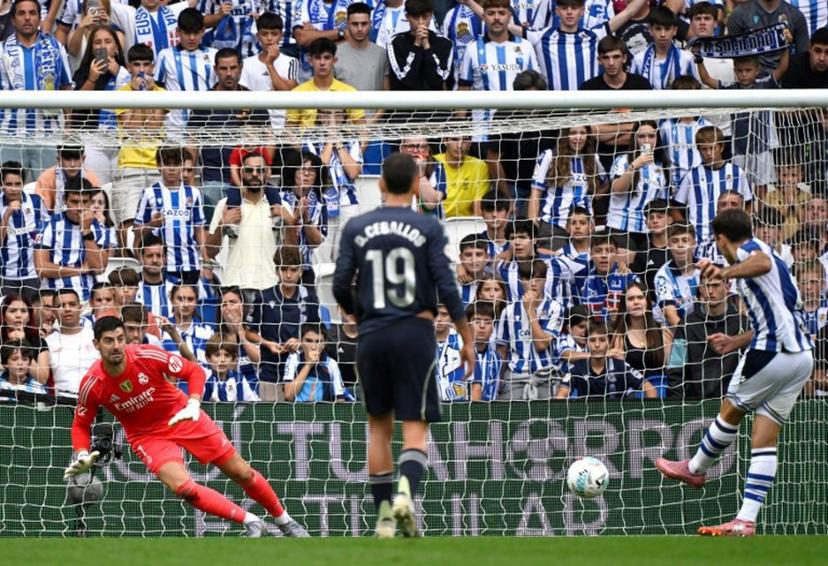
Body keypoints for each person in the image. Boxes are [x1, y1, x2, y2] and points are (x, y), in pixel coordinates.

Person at [333, 152, 474, 538]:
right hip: (415, 331)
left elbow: (338, 283)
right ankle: (405, 497)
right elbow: (447, 286)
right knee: (415, 427)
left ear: (380, 184)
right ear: (416, 185)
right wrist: (466, 337)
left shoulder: (357, 226)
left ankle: (382, 517)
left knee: (379, 427)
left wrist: (361, 314)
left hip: (374, 333)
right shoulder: (427, 227)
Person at [64, 316, 308, 537]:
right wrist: (83, 453)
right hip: (147, 436)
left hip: (182, 414)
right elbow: (81, 425)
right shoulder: (93, 383)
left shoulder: (147, 355)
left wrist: (193, 401)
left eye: (120, 339)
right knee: (183, 488)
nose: (116, 345)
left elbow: (193, 371)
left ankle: (285, 522)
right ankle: (252, 522)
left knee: (241, 472)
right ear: (96, 345)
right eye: (108, 341)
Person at [656, 208, 814, 536]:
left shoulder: (750, 254)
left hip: (774, 352)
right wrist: (736, 339)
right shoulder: (777, 263)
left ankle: (695, 468)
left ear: (722, 239)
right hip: (800, 358)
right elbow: (780, 311)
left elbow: (760, 263)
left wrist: (723, 273)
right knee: (763, 439)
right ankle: (745, 520)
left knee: (731, 406)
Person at [188, 49, 271, 222]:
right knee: (215, 236)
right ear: (215, 69)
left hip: (249, 181)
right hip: (213, 180)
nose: (229, 74)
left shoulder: (253, 99)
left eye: (233, 68)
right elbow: (192, 142)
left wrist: (263, 171)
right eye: (224, 69)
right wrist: (190, 183)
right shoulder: (203, 102)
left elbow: (269, 137)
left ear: (240, 68)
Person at [499, 0, 648, 91]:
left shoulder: (594, 35)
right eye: (564, 8)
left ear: (582, 11)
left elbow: (629, 12)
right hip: (555, 113)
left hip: (588, 111)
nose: (569, 12)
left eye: (574, 8)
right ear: (557, 11)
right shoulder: (540, 36)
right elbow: (496, 21)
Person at [0, 0, 72, 178]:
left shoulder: (56, 48)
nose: (27, 18)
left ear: (40, 18)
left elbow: (66, 88)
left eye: (32, 13)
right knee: (10, 193)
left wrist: (67, 128)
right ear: (13, 20)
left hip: (48, 136)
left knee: (47, 196)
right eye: (21, 13)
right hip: (10, 136)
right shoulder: (1, 51)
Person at [696, 54, 788, 193]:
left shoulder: (764, 84)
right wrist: (699, 60)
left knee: (761, 184)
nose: (743, 74)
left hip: (761, 145)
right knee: (739, 182)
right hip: (739, 147)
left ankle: (759, 213)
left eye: (748, 70)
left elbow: (782, 68)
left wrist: (785, 47)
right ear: (734, 70)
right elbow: (707, 80)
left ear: (756, 70)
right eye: (739, 70)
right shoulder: (731, 88)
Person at [206, 151, 293, 294]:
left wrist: (289, 222)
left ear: (267, 173)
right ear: (241, 173)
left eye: (260, 170)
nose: (254, 174)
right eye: (249, 170)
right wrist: (222, 225)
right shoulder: (225, 205)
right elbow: (210, 251)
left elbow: (291, 253)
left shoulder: (281, 206)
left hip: (270, 285)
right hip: (235, 285)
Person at [247, 246, 320, 400]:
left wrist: (301, 342)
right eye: (284, 269)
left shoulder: (310, 298)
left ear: (300, 272)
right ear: (276, 271)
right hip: (270, 371)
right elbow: (249, 332)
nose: (288, 275)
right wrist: (268, 343)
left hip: (301, 372)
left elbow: (319, 332)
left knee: (301, 422)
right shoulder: (263, 297)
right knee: (269, 421)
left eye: (293, 270)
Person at [668, 272, 752, 400]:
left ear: (728, 287)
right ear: (700, 289)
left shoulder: (743, 325)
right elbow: (676, 369)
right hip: (695, 404)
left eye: (716, 285)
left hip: (734, 404)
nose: (711, 291)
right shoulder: (686, 325)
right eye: (707, 286)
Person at [113, 44, 167, 232]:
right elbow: (133, 129)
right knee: (127, 225)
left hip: (156, 168)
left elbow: (153, 127)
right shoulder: (120, 94)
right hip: (129, 167)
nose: (142, 70)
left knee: (159, 225)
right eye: (137, 65)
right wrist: (138, 95)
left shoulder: (162, 94)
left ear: (152, 67)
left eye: (146, 65)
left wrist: (148, 95)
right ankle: (128, 261)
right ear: (129, 67)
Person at [134, 146, 207, 284]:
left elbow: (199, 228)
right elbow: (137, 231)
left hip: (190, 264)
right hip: (162, 265)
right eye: (167, 164)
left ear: (182, 166)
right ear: (159, 166)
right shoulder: (150, 193)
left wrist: (206, 258)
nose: (172, 169)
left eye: (176, 164)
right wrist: (151, 225)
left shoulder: (194, 193)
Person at [68, 26, 130, 186]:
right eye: (97, 42)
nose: (102, 46)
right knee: (97, 191)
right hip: (92, 140)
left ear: (116, 47)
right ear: (91, 48)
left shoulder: (127, 72)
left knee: (121, 195)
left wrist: (119, 73)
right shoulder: (82, 72)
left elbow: (138, 103)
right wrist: (92, 78)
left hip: (122, 143)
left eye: (108, 41)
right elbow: (76, 107)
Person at [496, 259, 564, 400]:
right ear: (521, 280)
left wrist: (529, 310)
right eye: (527, 278)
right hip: (515, 377)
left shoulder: (555, 308)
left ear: (545, 280)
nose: (533, 283)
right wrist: (498, 380)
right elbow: (502, 350)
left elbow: (541, 345)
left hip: (545, 376)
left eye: (538, 278)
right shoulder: (508, 311)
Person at [529, 126, 606, 249]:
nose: (578, 137)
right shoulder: (550, 156)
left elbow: (605, 182)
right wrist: (532, 224)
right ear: (565, 135)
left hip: (583, 225)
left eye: (582, 133)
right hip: (554, 224)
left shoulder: (593, 158)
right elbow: (535, 193)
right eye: (573, 133)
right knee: (554, 265)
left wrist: (595, 197)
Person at [34, 179, 112, 302]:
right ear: (65, 200)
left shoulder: (100, 228)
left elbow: (99, 267)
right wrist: (81, 269)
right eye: (74, 202)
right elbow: (41, 268)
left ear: (90, 201)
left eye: (84, 202)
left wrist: (86, 231)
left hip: (87, 297)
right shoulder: (49, 225)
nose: (79, 208)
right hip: (54, 298)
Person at [674, 125, 753, 244]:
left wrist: (742, 225)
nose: (709, 153)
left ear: (721, 147)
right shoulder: (692, 175)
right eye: (704, 149)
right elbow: (675, 206)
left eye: (712, 148)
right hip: (701, 238)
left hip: (731, 236)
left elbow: (749, 203)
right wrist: (687, 229)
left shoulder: (737, 173)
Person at [607, 120, 669, 251]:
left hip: (647, 231)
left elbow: (661, 204)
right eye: (641, 136)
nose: (646, 140)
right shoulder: (623, 160)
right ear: (635, 139)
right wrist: (634, 166)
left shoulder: (662, 167)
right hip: (620, 228)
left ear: (657, 139)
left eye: (651, 136)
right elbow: (617, 190)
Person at [556, 319, 657, 399]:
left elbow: (650, 389)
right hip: (586, 421)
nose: (597, 345)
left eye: (602, 340)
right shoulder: (577, 368)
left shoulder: (621, 367)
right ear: (586, 343)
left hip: (617, 420)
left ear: (609, 343)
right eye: (592, 340)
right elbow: (561, 395)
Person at [155, 8, 217, 132]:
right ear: (178, 31)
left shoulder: (214, 55)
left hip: (208, 129)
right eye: (187, 33)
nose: (192, 38)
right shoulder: (165, 56)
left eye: (196, 33)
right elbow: (157, 89)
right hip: (175, 130)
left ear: (203, 31)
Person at [286, 38, 365, 128]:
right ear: (310, 61)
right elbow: (290, 131)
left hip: (342, 141)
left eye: (327, 58)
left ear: (334, 61)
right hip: (306, 141)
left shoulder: (350, 92)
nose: (322, 63)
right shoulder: (297, 93)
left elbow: (363, 130)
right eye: (318, 58)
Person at [238, 12, 299, 131]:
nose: (269, 38)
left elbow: (287, 93)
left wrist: (269, 64)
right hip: (256, 128)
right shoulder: (247, 63)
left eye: (274, 34)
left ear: (281, 35)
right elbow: (244, 99)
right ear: (257, 36)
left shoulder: (291, 61)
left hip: (284, 127)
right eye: (264, 34)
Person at [610, 281, 672, 396]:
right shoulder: (619, 336)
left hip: (663, 392)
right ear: (625, 305)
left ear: (647, 302)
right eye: (631, 299)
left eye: (640, 297)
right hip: (633, 395)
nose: (636, 302)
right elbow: (621, 375)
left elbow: (672, 370)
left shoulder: (663, 331)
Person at [0, 161, 49, 301]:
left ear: (23, 183)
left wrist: (34, 236)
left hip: (33, 274)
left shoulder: (35, 201)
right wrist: (7, 213)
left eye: (17, 184)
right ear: (1, 184)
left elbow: (46, 228)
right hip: (6, 275)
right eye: (9, 184)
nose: (13, 189)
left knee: (33, 316)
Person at [727, 0, 808, 74]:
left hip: (785, 78)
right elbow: (734, 57)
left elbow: (802, 57)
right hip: (751, 81)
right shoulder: (738, 15)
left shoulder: (796, 16)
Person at [387, 0, 453, 91]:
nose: (421, 22)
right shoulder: (395, 42)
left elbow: (438, 81)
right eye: (416, 17)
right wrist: (417, 45)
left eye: (425, 17)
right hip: (405, 103)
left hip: (434, 103)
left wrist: (427, 47)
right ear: (407, 17)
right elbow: (406, 80)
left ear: (431, 16)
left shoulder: (445, 43)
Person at [45, 288, 99, 398]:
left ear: (80, 308)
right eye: (61, 305)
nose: (67, 309)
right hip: (62, 405)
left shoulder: (96, 336)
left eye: (72, 304)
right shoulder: (47, 342)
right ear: (54, 312)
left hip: (97, 403)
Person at [630, 6, 698, 90]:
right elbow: (632, 92)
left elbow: (695, 91)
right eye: (658, 29)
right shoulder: (638, 59)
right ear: (650, 30)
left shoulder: (686, 58)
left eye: (667, 29)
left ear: (674, 31)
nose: (662, 34)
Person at [426, 136, 490, 218]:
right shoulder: (433, 163)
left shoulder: (479, 166)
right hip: (436, 222)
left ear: (470, 143)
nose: (459, 145)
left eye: (465, 140)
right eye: (454, 139)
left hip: (466, 225)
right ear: (445, 141)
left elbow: (478, 214)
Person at [282, 324, 348, 402]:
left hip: (323, 412)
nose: (314, 347)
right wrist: (308, 365)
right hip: (296, 411)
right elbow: (288, 396)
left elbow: (340, 399)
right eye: (309, 341)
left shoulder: (331, 364)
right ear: (301, 341)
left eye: (318, 341)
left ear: (324, 344)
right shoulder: (294, 358)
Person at [334, 3, 389, 92]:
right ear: (348, 24)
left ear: (370, 24)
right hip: (344, 105)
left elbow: (387, 92)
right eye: (355, 24)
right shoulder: (335, 53)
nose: (360, 29)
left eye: (364, 24)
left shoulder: (382, 54)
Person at [653, 222, 700, 327]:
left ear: (694, 244)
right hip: (675, 330)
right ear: (669, 245)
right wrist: (689, 336)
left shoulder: (705, 268)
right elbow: (670, 314)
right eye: (675, 241)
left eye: (685, 240)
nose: (680, 245)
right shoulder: (662, 276)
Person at [34, 146, 101, 215]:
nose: (72, 164)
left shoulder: (92, 178)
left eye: (76, 159)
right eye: (67, 159)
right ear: (59, 160)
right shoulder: (46, 178)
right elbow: (41, 212)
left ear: (83, 159)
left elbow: (97, 209)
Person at [1, 293, 49, 383]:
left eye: (23, 311)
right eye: (13, 311)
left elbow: (43, 378)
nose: (18, 315)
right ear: (3, 316)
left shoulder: (38, 341)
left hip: (30, 393)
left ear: (29, 317)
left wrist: (22, 343)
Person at [580, 34, 652, 90]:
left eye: (616, 57)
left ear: (624, 58)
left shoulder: (641, 85)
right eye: (606, 58)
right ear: (599, 60)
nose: (611, 63)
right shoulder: (589, 88)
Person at [202, 334, 260, 402]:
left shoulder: (239, 380)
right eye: (217, 355)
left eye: (227, 355)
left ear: (233, 359)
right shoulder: (204, 379)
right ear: (208, 358)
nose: (222, 359)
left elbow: (252, 404)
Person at [468, 300, 502, 401]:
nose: (482, 326)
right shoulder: (457, 354)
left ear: (493, 328)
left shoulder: (497, 358)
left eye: (487, 322)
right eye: (477, 321)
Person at [434, 303, 467, 402]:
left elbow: (474, 381)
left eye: (444, 315)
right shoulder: (419, 342)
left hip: (457, 407)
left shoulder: (463, 342)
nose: (439, 319)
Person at [457, 234, 491, 305]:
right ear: (461, 257)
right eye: (468, 255)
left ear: (487, 257)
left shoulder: (495, 279)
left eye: (479, 254)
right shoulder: (451, 283)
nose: (474, 260)